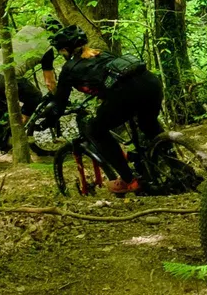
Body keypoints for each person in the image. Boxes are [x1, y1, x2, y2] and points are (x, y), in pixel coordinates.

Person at [43, 25, 165, 194]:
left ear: (65, 50)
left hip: (126, 93)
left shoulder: (69, 68)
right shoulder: (102, 53)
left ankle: (129, 180)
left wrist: (49, 119)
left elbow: (60, 102)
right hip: (151, 84)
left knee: (95, 129)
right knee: (148, 124)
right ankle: (172, 162)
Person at [0, 16, 63, 124]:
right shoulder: (47, 47)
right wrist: (57, 95)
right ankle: (20, 130)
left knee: (1, 105)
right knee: (35, 97)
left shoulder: (26, 29)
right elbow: (49, 82)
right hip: (6, 75)